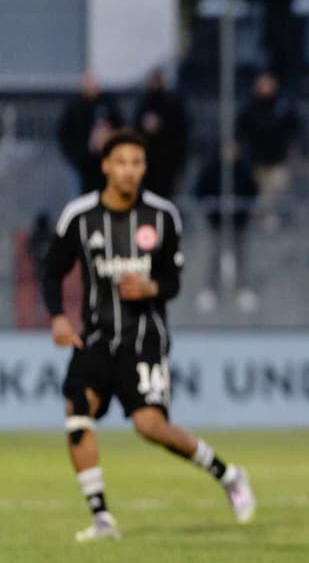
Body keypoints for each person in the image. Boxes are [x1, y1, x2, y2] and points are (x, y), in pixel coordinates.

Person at [41, 129, 255, 542]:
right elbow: (51, 271)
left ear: (144, 167)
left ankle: (227, 474)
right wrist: (57, 318)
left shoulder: (161, 216)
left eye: (137, 163)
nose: (129, 171)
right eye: (121, 162)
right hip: (97, 338)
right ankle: (102, 518)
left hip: (146, 342)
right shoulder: (80, 216)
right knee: (77, 410)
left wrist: (153, 288)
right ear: (105, 165)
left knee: (150, 426)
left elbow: (174, 281)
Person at [192, 143, 259, 314]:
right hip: (217, 221)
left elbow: (253, 190)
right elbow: (199, 191)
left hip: (238, 221)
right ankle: (210, 290)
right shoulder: (212, 169)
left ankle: (242, 289)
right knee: (214, 255)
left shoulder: (243, 169)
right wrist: (211, 207)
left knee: (240, 254)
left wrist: (244, 207)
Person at [236, 70, 301, 230]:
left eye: (268, 83)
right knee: (260, 192)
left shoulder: (282, 105)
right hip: (256, 159)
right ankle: (264, 220)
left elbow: (295, 126)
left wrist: (293, 146)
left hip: (278, 157)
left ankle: (271, 220)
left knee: (276, 189)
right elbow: (241, 129)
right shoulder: (251, 106)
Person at [58, 71, 123, 194]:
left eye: (93, 83)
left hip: (107, 165)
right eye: (87, 83)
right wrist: (82, 150)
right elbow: (65, 135)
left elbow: (121, 127)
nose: (91, 87)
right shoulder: (74, 107)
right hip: (82, 166)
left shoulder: (108, 103)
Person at [134, 69, 189, 198]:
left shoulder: (172, 103)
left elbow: (180, 133)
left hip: (167, 163)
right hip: (147, 164)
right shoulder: (143, 103)